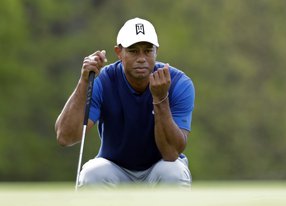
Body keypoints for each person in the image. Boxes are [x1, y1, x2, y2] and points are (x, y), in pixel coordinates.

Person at [55, 17, 195, 188]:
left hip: (160, 167)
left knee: (174, 172)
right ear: (119, 52)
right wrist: (85, 81)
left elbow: (171, 153)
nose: (142, 58)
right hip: (115, 168)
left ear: (156, 51)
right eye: (134, 51)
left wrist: (160, 99)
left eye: (148, 51)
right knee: (92, 173)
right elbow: (66, 137)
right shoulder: (103, 80)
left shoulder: (179, 83)